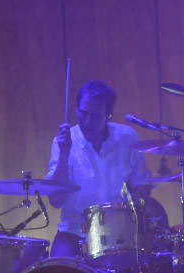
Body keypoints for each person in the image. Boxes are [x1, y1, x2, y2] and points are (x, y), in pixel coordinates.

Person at [46, 79, 153, 257]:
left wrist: (136, 207)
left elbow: (142, 184)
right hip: (73, 232)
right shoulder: (63, 141)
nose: (88, 121)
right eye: (83, 113)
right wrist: (64, 153)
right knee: (58, 269)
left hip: (119, 233)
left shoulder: (127, 137)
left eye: (96, 116)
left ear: (108, 115)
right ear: (76, 109)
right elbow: (55, 200)